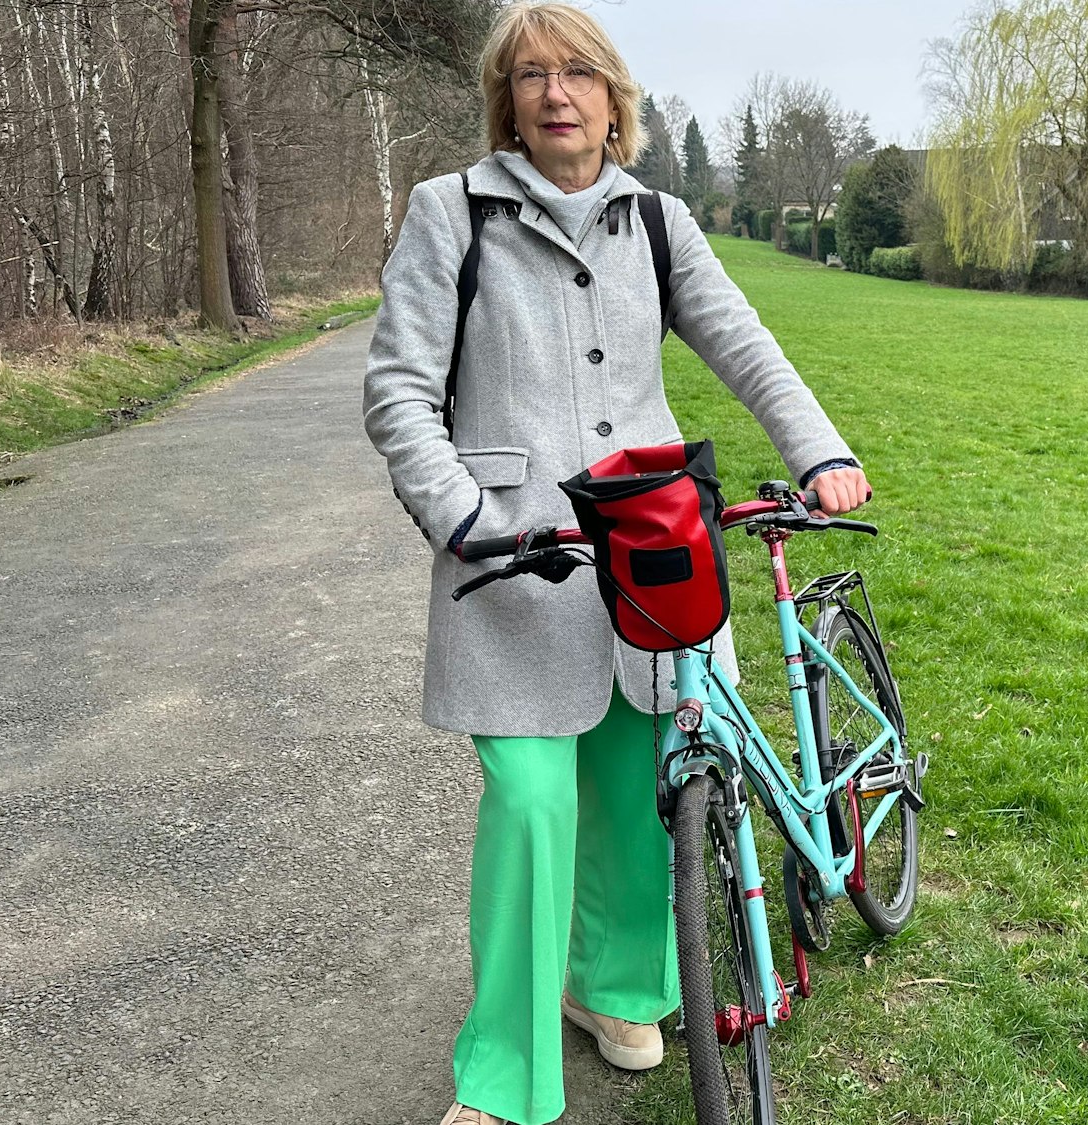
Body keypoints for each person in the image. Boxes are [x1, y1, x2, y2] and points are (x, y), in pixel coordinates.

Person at [362, 5, 869, 1122]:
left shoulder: (657, 220)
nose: (557, 93)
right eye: (532, 75)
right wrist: (461, 514)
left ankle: (618, 987)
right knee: (533, 802)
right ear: (506, 100)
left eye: (579, 73)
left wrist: (819, 449)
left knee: (649, 788)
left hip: (650, 552)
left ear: (612, 98)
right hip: (513, 560)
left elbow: (742, 342)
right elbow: (399, 390)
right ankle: (503, 1075)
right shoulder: (451, 213)